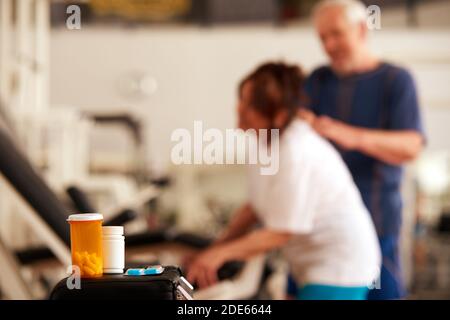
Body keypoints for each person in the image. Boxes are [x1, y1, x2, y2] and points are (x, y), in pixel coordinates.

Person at [185, 62, 381, 300]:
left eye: (248, 109)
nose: (239, 116)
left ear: (278, 116)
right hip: (304, 263)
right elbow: (254, 208)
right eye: (240, 103)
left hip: (340, 263)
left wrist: (219, 255)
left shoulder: (296, 149)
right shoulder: (263, 141)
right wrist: (213, 249)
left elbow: (281, 232)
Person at [300, 0, 425, 299]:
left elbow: (411, 146)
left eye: (336, 34)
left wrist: (348, 135)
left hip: (378, 221)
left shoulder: (396, 80)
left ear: (361, 29)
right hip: (323, 229)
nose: (328, 45)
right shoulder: (317, 80)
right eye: (322, 38)